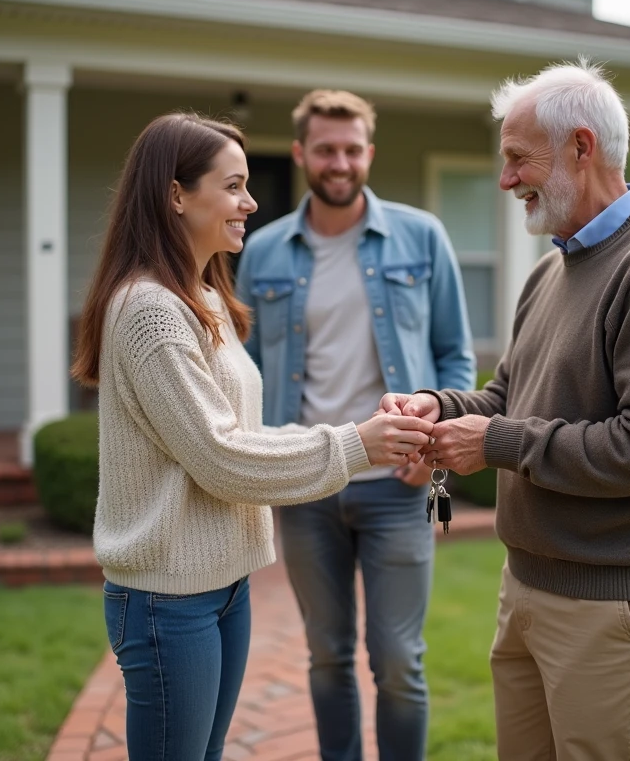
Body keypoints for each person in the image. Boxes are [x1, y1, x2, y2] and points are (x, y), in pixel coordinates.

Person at [382, 59, 630, 760]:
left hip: (609, 607)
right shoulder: (552, 269)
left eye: (516, 159)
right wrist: (439, 405)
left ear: (581, 146)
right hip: (530, 586)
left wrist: (498, 442)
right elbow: (510, 397)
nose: (505, 180)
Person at [70, 112, 435, 761]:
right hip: (166, 599)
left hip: (223, 582)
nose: (252, 201)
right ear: (176, 195)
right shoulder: (151, 309)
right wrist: (357, 444)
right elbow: (220, 456)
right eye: (234, 185)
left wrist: (363, 434)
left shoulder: (202, 298)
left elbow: (241, 434)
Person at [236, 90, 475, 761]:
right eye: (325, 149)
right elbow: (248, 373)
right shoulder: (263, 252)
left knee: (399, 660)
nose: (338, 162)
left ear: (368, 152)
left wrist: (433, 452)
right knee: (326, 655)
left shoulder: (421, 235)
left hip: (399, 483)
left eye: (351, 149)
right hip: (308, 482)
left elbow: (456, 353)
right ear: (300, 154)